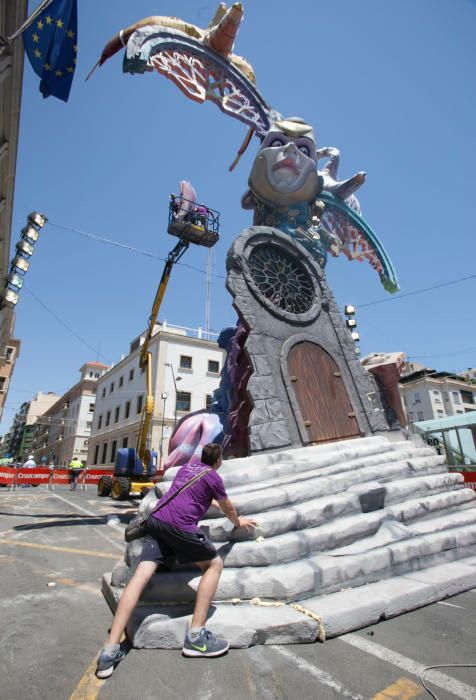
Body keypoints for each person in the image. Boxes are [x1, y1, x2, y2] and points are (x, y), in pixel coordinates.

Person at [96, 443, 256, 679]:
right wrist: (238, 521)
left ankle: (109, 650)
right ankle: (196, 637)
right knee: (214, 565)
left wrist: (213, 504)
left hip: (157, 520)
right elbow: (227, 507)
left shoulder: (187, 469)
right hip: (180, 528)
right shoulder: (214, 478)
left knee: (140, 576)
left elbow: (193, 493)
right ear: (219, 460)